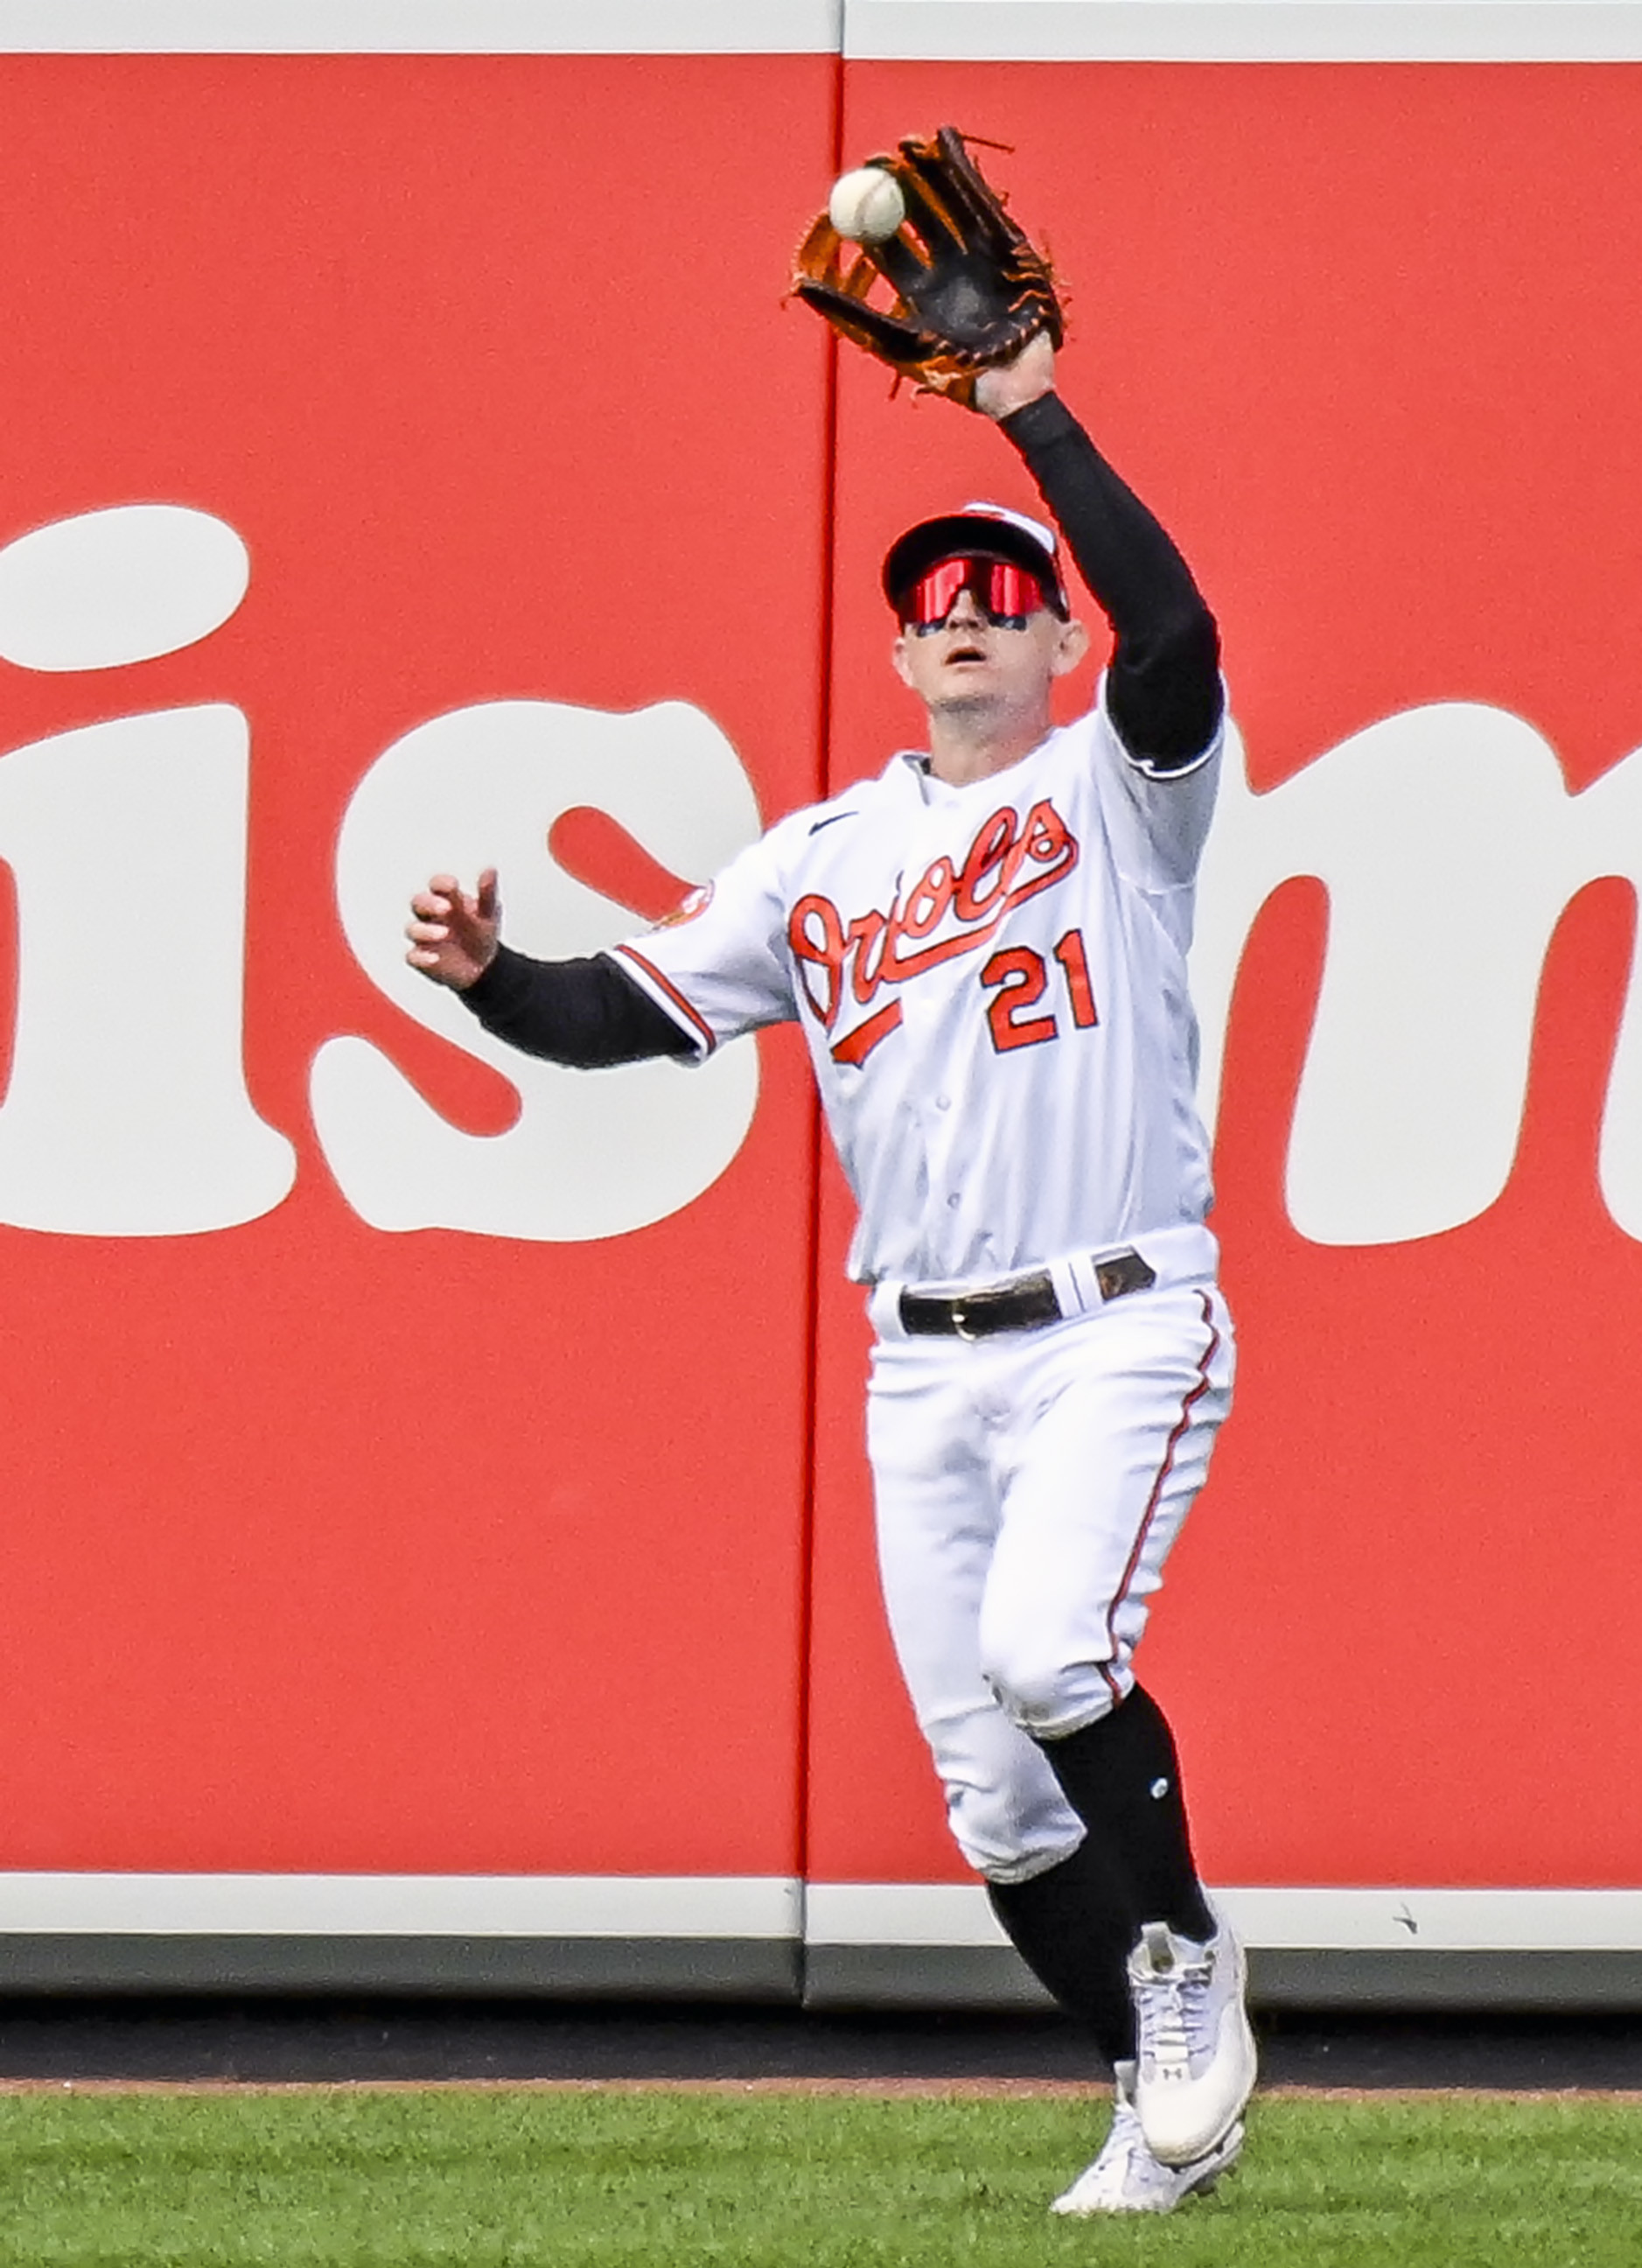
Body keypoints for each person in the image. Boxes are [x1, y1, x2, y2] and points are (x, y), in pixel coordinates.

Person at [403, 334, 1254, 2218]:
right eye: (933, 602)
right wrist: (489, 976)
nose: (964, 618)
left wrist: (1032, 407)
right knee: (1000, 1806)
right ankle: (1146, 2103)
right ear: (896, 658)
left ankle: (1191, 1961)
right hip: (923, 1368)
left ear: (1056, 648)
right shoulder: (820, 861)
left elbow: (1180, 630)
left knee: (1053, 1656)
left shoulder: (1124, 798)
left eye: (1004, 596)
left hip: (1119, 1316)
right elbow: (613, 1014)